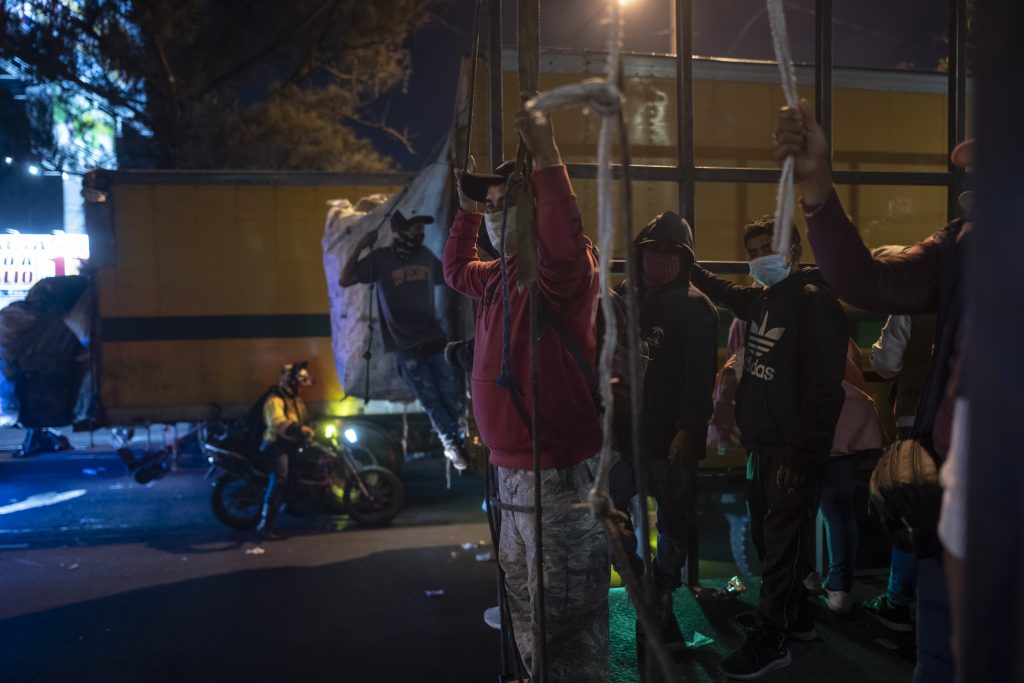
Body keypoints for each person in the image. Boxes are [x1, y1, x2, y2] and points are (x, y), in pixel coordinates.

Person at [773, 100, 971, 683]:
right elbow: (863, 279)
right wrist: (816, 183)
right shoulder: (964, 245)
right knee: (939, 660)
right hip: (955, 504)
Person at [444, 108, 608, 681]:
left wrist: (547, 156)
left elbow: (565, 234)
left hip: (556, 469)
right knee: (523, 600)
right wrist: (467, 212)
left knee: (566, 608)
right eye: (489, 207)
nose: (493, 216)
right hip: (509, 469)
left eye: (502, 204)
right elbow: (454, 269)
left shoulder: (558, 272)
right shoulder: (497, 276)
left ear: (533, 209)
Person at [689, 215, 848, 679]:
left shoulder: (813, 301)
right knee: (769, 540)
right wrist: (689, 265)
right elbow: (725, 290)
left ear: (794, 250)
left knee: (783, 549)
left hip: (791, 451)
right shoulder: (765, 299)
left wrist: (800, 456)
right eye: (754, 249)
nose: (761, 257)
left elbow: (825, 389)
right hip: (765, 445)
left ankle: (771, 639)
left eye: (770, 247)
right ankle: (792, 621)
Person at [607, 211, 718, 651]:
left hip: (671, 442)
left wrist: (690, 429)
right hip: (623, 439)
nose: (657, 261)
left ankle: (662, 593)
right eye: (650, 252)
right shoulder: (622, 298)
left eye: (669, 253)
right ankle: (643, 591)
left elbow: (699, 376)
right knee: (607, 520)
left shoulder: (695, 306)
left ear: (684, 258)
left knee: (674, 527)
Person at [340, 210, 468, 470]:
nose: (419, 234)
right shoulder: (380, 260)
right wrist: (360, 246)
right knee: (431, 399)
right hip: (406, 347)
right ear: (400, 231)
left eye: (422, 229)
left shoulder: (425, 257)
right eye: (414, 229)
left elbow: (451, 278)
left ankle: (457, 441)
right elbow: (345, 279)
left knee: (450, 395)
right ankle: (452, 443)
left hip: (434, 339)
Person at [863, 257, 938, 632]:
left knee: (912, 512)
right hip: (971, 426)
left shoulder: (910, 306)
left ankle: (898, 601)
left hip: (916, 420)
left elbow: (886, 363)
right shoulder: (985, 298)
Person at [814, 339, 885, 614]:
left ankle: (803, 580)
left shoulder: (779, 316)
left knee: (792, 509)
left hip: (804, 428)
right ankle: (840, 590)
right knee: (839, 512)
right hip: (847, 426)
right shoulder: (838, 330)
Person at [257, 361, 316, 540]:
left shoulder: (294, 399)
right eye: (300, 384)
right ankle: (265, 525)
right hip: (275, 445)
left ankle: (291, 505)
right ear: (290, 383)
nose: (303, 388)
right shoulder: (275, 400)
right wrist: (300, 431)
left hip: (290, 444)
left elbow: (304, 417)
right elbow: (278, 424)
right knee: (280, 478)